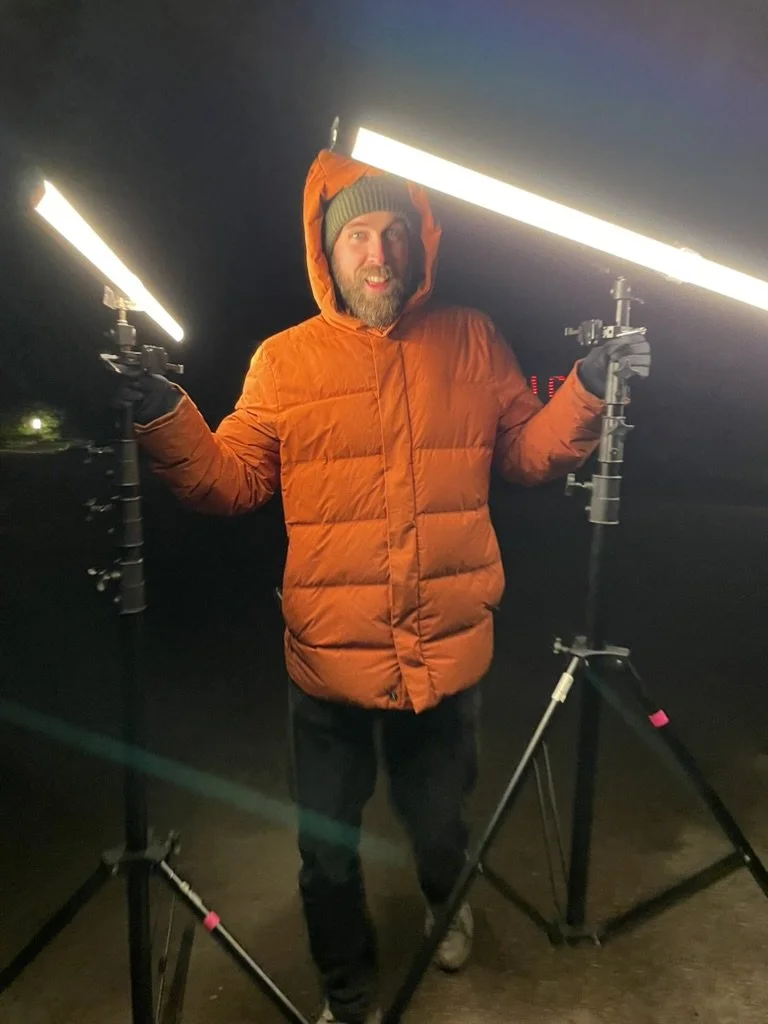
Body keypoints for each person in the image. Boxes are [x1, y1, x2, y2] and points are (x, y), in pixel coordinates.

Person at [123, 147, 650, 1024]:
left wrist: (588, 389)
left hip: (445, 650)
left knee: (439, 826)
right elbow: (227, 481)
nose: (379, 254)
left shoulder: (475, 337)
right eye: (359, 235)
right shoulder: (284, 362)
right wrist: (160, 414)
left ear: (419, 247)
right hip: (327, 663)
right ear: (326, 254)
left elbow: (524, 453)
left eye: (395, 234)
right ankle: (347, 992)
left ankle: (450, 904)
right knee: (326, 854)